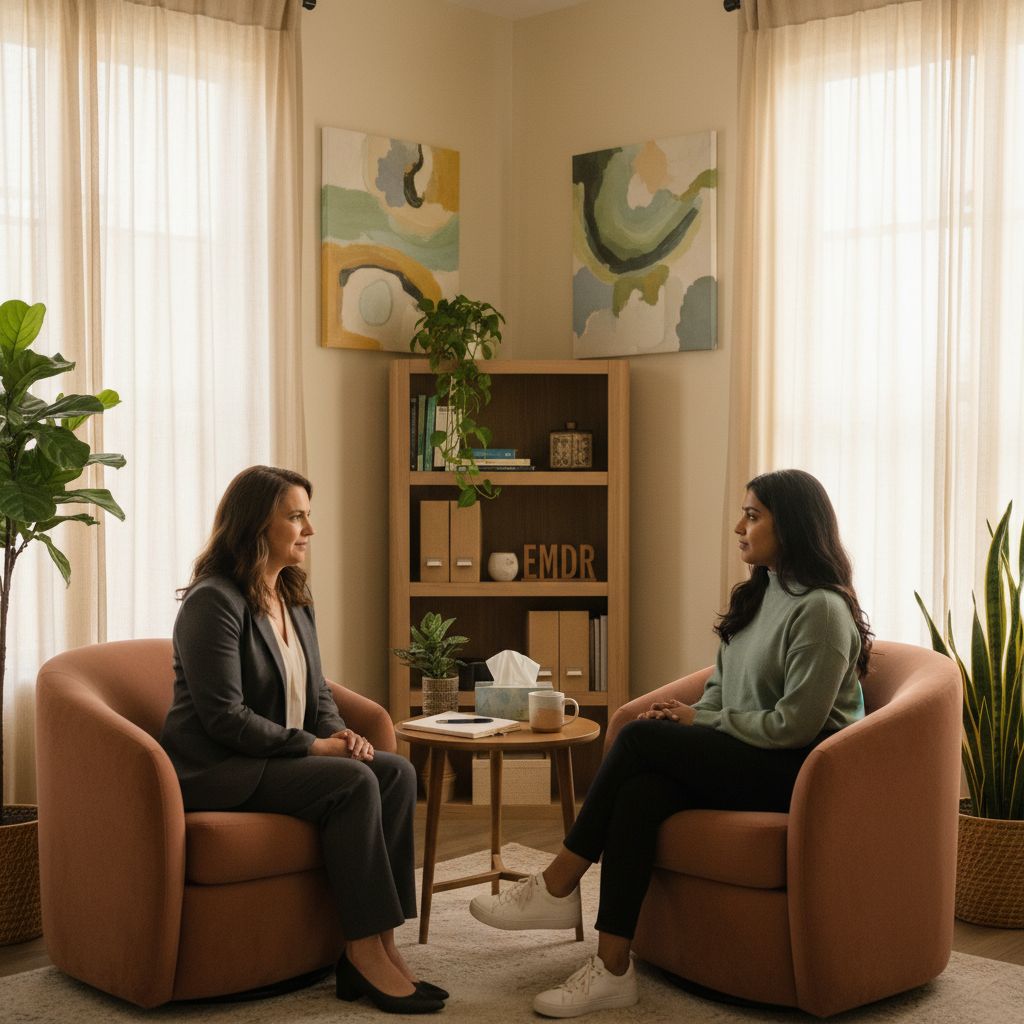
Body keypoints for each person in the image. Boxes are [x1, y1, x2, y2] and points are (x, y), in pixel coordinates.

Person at [469, 469, 872, 1018]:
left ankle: (558, 882)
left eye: (753, 516)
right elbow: (721, 691)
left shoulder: (822, 610)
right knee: (641, 794)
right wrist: (692, 716)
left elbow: (796, 726)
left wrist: (702, 723)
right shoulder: (761, 593)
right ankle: (612, 968)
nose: (738, 526)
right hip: (753, 753)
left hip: (798, 772)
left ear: (795, 525)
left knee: (636, 739)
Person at [160, 466, 446, 1015]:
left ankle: (384, 943)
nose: (309, 529)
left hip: (273, 758)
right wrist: (316, 749)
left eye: (307, 515)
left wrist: (341, 733)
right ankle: (361, 949)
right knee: (349, 782)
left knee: (395, 772)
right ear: (255, 526)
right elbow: (224, 717)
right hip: (221, 768)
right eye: (296, 516)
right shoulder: (213, 602)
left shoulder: (294, 599)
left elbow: (315, 695)